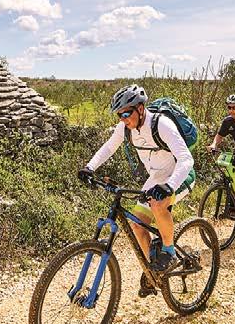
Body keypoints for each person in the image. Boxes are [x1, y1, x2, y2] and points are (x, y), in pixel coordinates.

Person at [78, 84, 195, 298]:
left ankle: (169, 252)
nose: (123, 119)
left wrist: (170, 185)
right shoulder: (125, 128)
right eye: (119, 115)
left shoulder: (161, 124)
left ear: (140, 109)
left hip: (180, 175)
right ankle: (153, 270)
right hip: (157, 178)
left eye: (126, 114)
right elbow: (109, 147)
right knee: (137, 224)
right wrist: (89, 167)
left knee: (158, 205)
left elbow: (186, 159)